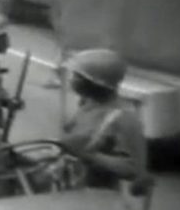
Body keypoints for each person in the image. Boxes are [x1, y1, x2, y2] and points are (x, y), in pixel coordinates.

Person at [59, 49, 148, 189]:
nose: (71, 79)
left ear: (95, 83)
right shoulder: (87, 103)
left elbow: (133, 168)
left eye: (77, 76)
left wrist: (90, 155)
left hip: (99, 195)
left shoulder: (123, 116)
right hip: (72, 180)